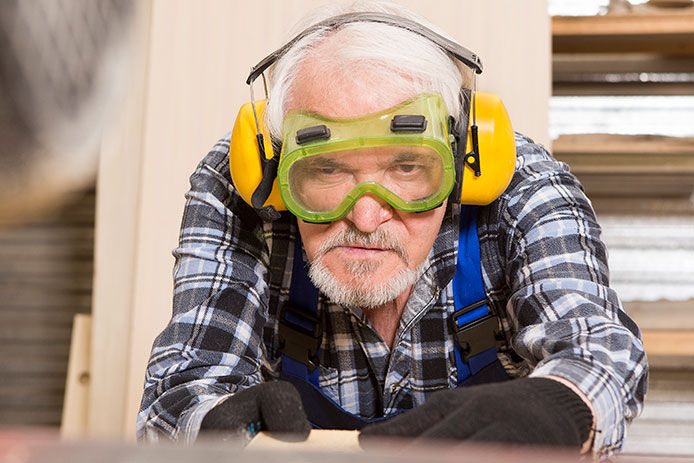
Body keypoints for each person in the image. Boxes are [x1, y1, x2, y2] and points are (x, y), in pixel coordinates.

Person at [137, 1, 647, 456]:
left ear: (463, 161)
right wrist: (209, 425)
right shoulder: (240, 189)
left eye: (407, 168)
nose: (364, 218)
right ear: (272, 165)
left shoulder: (519, 183)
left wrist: (560, 406)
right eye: (327, 170)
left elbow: (600, 351)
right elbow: (179, 395)